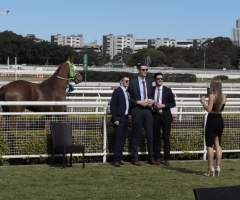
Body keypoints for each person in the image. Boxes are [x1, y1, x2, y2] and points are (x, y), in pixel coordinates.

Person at [128, 64, 155, 166]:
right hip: (137, 110)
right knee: (136, 134)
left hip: (148, 110)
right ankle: (135, 158)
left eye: (146, 69)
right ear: (139, 70)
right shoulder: (133, 82)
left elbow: (151, 95)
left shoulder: (149, 82)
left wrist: (151, 101)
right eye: (143, 69)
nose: (145, 71)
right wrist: (138, 102)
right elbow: (129, 97)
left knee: (150, 135)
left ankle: (151, 158)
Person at [200, 76, 226, 176]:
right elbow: (221, 109)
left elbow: (209, 110)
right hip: (220, 119)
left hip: (212, 120)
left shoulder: (212, 96)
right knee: (218, 144)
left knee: (209, 145)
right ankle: (218, 167)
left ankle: (210, 169)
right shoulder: (224, 96)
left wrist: (203, 102)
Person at [152, 73, 176, 166]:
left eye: (161, 79)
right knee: (156, 138)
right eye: (158, 79)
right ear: (155, 80)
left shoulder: (168, 90)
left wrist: (164, 105)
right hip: (155, 116)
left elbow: (173, 103)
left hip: (166, 116)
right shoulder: (152, 90)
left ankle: (166, 158)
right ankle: (157, 157)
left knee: (166, 137)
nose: (160, 80)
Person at [110, 76, 130, 167]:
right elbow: (113, 106)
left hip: (125, 118)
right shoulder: (117, 91)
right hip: (119, 118)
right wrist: (115, 119)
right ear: (121, 81)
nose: (127, 82)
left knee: (122, 140)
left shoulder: (127, 92)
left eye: (128, 81)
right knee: (118, 140)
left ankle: (120, 158)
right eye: (126, 81)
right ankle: (116, 159)